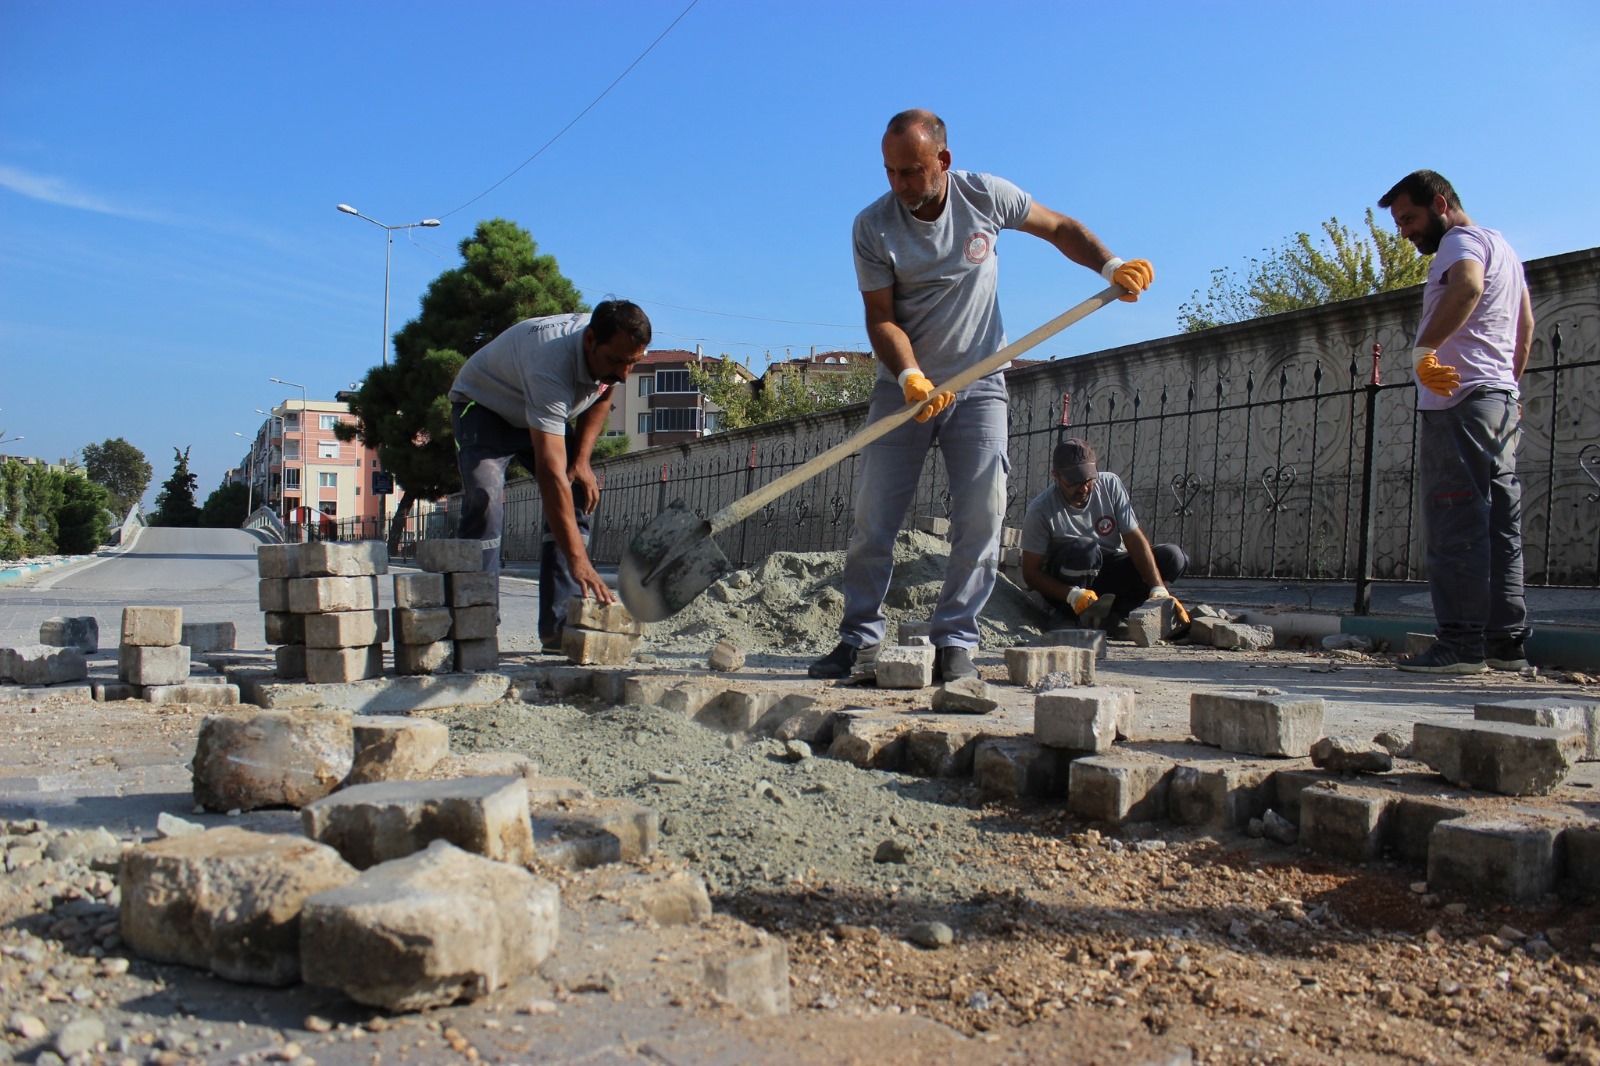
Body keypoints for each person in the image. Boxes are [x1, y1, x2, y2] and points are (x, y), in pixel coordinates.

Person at [808, 109, 1153, 681]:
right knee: (874, 516)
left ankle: (954, 642)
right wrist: (911, 376)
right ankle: (859, 638)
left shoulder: (985, 197)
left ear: (942, 161)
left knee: (982, 513)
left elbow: (1059, 227)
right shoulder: (872, 227)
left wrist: (1110, 265)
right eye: (890, 172)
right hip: (905, 391)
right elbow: (880, 320)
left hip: (980, 385)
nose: (900, 185)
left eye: (912, 172)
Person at [1379, 170, 1533, 675]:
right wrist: (1509, 385)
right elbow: (1525, 327)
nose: (1404, 231)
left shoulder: (1460, 242)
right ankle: (1503, 643)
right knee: (1499, 525)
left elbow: (1466, 285)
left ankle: (1461, 645)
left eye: (1410, 218)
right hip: (1497, 400)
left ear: (1441, 203)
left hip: (1459, 401)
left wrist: (1425, 351)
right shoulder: (1503, 246)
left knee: (1455, 520)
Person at [448, 300, 651, 644]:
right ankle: (476, 620)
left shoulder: (614, 349)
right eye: (617, 361)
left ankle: (559, 628)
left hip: (536, 410)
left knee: (576, 490)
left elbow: (603, 393)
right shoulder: (550, 364)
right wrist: (579, 560)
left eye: (633, 362)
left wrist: (582, 461)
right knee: (485, 499)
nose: (624, 372)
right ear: (589, 341)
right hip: (484, 406)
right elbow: (550, 475)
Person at [1018, 438, 1187, 634]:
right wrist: (1072, 595)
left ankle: (1119, 615)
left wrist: (1158, 588)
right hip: (1070, 581)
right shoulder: (1040, 510)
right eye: (1074, 482)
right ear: (1056, 476)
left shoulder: (1110, 484)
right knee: (1085, 549)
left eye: (1089, 480)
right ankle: (1070, 616)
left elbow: (1133, 539)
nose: (1083, 488)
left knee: (1173, 557)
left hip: (1108, 572)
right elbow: (1030, 574)